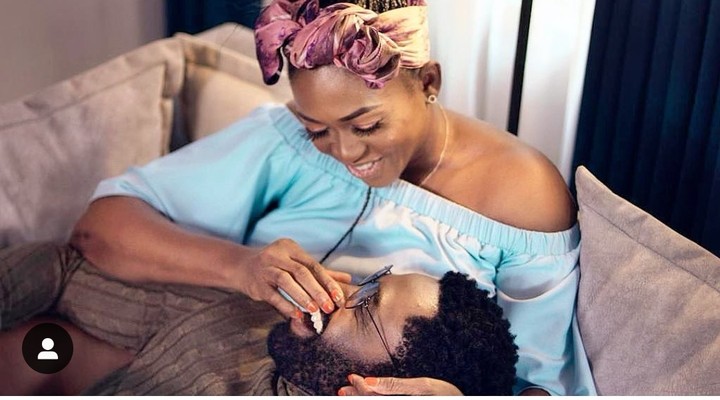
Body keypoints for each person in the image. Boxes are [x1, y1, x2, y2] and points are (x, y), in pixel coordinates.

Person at [57, 0, 594, 395]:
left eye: (367, 124)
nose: (346, 152)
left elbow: (545, 382)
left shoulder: (523, 195)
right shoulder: (282, 141)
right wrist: (240, 267)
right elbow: (100, 229)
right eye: (319, 129)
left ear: (429, 82)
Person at [0, 243, 518, 395]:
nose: (339, 292)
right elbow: (68, 266)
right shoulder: (257, 310)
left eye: (365, 309)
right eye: (367, 284)